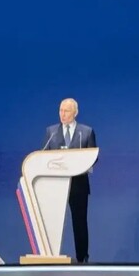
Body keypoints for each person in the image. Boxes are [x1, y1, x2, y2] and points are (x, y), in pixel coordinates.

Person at [43, 98, 97, 264]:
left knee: (79, 222)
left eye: (66, 111)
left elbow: (93, 157)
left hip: (78, 185)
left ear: (75, 113)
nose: (63, 114)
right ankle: (49, 256)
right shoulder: (51, 132)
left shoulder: (86, 132)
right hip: (56, 185)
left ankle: (82, 258)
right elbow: (44, 155)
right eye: (60, 110)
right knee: (52, 222)